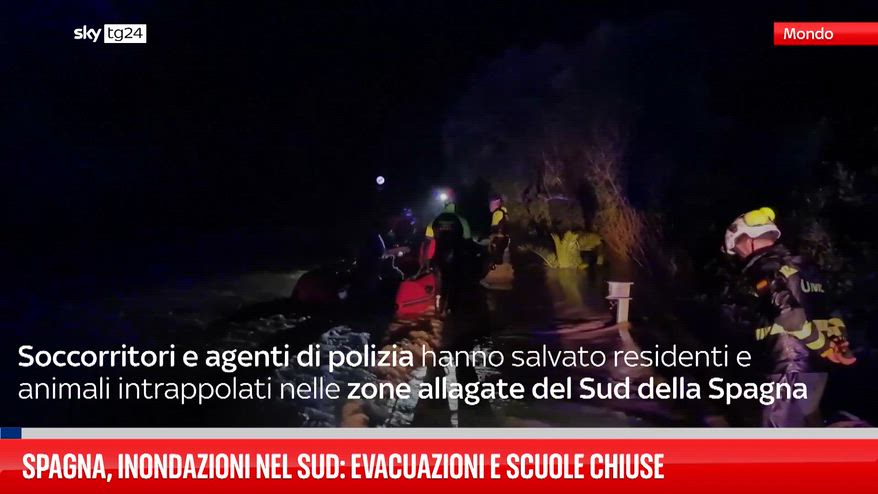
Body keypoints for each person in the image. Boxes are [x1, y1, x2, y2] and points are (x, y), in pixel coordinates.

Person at [723, 207, 856, 427]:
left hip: (789, 364)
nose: (740, 255)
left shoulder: (765, 266)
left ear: (749, 241)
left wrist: (826, 347)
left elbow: (790, 317)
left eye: (737, 248)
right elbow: (832, 313)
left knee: (778, 435)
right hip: (815, 367)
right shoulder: (805, 267)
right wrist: (835, 345)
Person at [429, 201, 472, 314]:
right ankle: (450, 308)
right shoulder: (461, 220)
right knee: (453, 282)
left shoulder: (435, 219)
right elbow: (468, 238)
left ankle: (438, 307)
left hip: (437, 256)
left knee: (439, 283)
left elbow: (428, 238)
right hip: (455, 257)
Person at [488, 195, 510, 266]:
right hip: (504, 237)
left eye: (492, 204)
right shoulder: (503, 211)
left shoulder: (497, 213)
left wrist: (491, 237)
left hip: (499, 238)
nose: (490, 206)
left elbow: (495, 227)